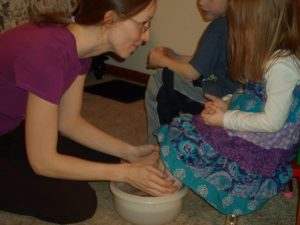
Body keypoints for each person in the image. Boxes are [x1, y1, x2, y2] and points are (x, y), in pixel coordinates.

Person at [0, 0, 178, 223]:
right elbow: (43, 161)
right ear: (110, 18)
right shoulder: (48, 54)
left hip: (7, 127)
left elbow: (68, 122)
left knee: (112, 159)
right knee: (77, 202)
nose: (146, 37)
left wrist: (129, 153)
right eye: (143, 24)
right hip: (7, 131)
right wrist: (125, 173)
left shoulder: (79, 47)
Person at [155, 0, 300, 223]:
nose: (237, 35)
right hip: (255, 127)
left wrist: (226, 118)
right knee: (190, 128)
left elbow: (272, 122)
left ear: (265, 24)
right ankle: (165, 178)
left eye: (242, 27)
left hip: (266, 144)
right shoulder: (270, 55)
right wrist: (227, 103)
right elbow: (255, 95)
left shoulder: (282, 66)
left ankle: (164, 185)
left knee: (192, 140)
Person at [145, 0, 240, 144]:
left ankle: (157, 150)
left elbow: (192, 73)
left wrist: (161, 60)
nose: (201, 3)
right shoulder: (240, 23)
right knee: (175, 80)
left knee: (161, 80)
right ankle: (180, 137)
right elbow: (206, 61)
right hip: (238, 97)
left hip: (218, 99)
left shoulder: (219, 26)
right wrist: (175, 57)